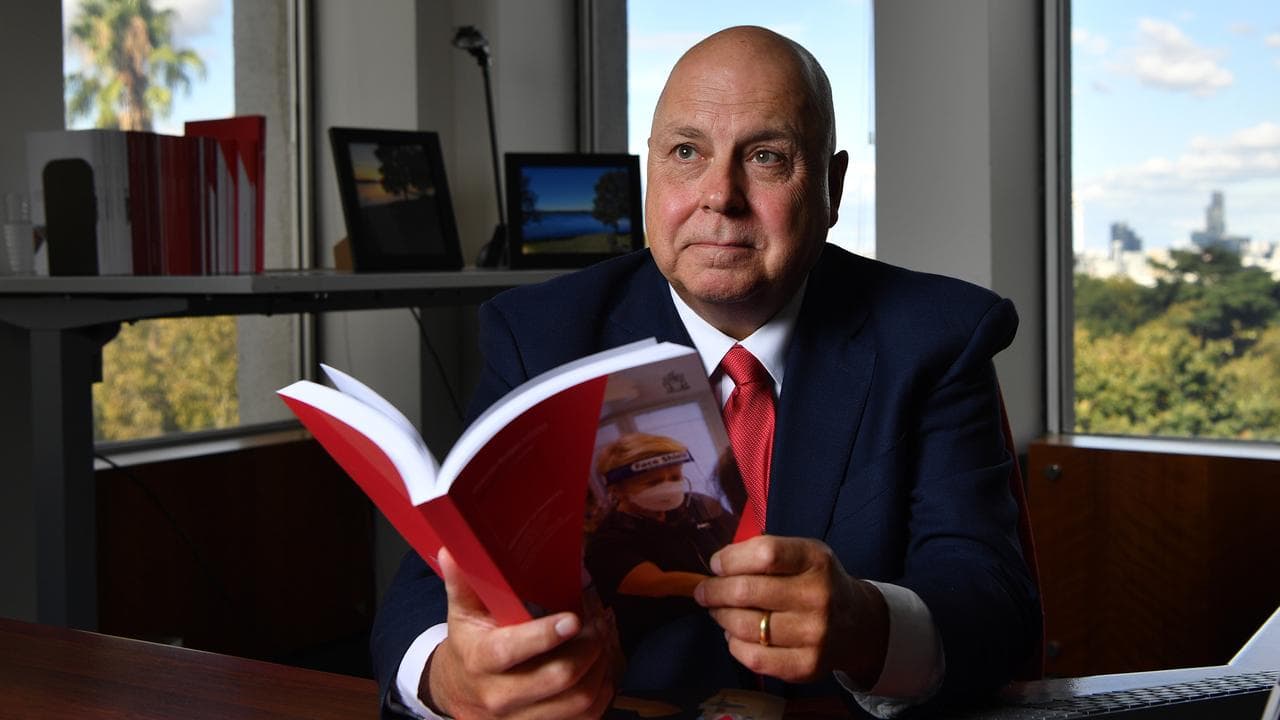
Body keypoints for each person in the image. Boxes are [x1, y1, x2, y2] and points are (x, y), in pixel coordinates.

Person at [371, 25, 1041, 719]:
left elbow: (991, 604)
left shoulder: (935, 337)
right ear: (651, 170)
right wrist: (453, 680)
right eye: (687, 152)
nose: (720, 195)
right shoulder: (544, 335)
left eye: (766, 157)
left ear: (832, 188)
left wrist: (867, 624)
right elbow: (432, 587)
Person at [585, 433, 739, 653]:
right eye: (653, 482)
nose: (668, 487)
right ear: (617, 490)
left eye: (675, 478)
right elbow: (660, 583)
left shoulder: (698, 507)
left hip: (724, 624)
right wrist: (729, 590)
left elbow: (737, 540)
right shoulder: (607, 542)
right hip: (666, 645)